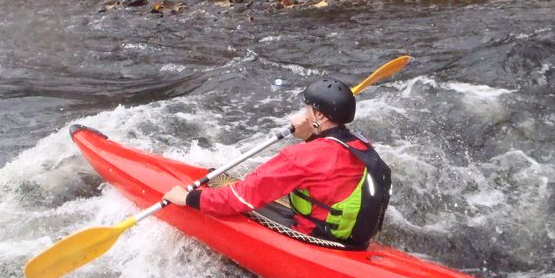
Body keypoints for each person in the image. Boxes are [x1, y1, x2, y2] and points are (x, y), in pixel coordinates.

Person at [164, 78, 392, 247]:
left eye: (308, 109)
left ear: (320, 116)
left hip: (315, 238)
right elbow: (328, 166)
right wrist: (310, 135)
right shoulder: (361, 144)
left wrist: (189, 198)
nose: (304, 113)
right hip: (354, 240)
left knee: (235, 194)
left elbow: (240, 197)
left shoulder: (301, 158)